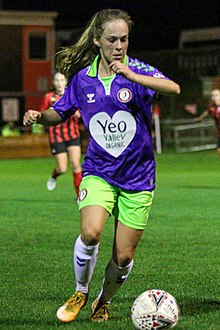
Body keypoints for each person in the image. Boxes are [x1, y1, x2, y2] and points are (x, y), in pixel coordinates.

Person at [23, 8, 180, 323]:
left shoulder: (138, 71)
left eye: (124, 39)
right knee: (91, 232)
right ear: (97, 40)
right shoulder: (83, 80)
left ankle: (102, 300)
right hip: (99, 172)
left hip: (139, 177)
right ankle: (80, 290)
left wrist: (132, 76)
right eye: (112, 39)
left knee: (123, 256)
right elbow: (60, 112)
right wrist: (42, 116)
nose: (119, 45)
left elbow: (173, 88)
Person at [40, 71, 82, 196]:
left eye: (62, 80)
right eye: (57, 80)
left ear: (66, 82)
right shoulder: (49, 97)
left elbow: (81, 114)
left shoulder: (73, 95)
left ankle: (80, 195)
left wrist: (76, 112)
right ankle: (54, 175)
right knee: (63, 168)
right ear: (53, 82)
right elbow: (43, 115)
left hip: (73, 134)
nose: (59, 83)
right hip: (57, 136)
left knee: (75, 163)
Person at [196, 88, 220, 154]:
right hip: (219, 131)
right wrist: (200, 118)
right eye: (213, 95)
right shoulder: (212, 107)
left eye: (217, 95)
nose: (215, 97)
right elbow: (207, 112)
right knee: (218, 150)